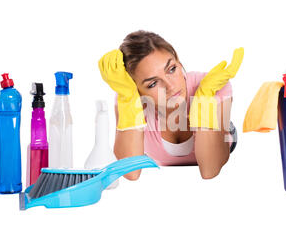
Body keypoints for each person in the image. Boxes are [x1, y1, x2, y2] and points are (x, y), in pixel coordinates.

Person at [98, 30, 243, 180]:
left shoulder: (213, 86)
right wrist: (128, 98)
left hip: (224, 138)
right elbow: (131, 173)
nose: (170, 86)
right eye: (153, 83)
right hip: (157, 153)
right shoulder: (128, 98)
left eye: (172, 69)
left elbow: (209, 170)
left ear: (178, 62)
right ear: (137, 91)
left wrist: (204, 99)